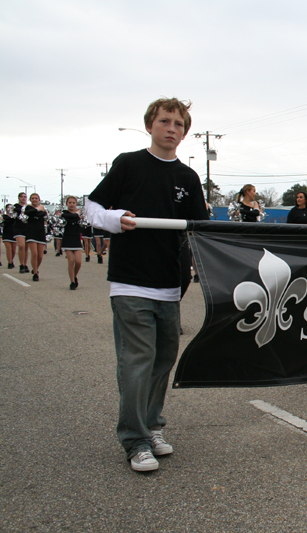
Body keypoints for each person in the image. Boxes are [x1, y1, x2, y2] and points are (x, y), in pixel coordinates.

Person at [86, 97, 209, 472]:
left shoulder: (188, 179)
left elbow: (202, 231)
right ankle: (135, 439)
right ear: (150, 125)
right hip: (130, 284)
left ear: (185, 133)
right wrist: (114, 217)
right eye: (165, 121)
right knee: (137, 361)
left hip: (169, 287)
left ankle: (152, 426)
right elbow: (91, 207)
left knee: (161, 362)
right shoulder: (128, 164)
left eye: (178, 124)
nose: (171, 128)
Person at [61, 196, 84, 290]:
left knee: (78, 262)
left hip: (76, 240)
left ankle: (74, 275)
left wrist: (78, 216)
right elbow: (70, 218)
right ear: (67, 204)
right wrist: (77, 215)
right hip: (67, 239)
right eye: (69, 202)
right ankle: (72, 282)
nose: (71, 204)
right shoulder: (64, 213)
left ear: (76, 204)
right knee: (71, 261)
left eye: (73, 203)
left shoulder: (79, 214)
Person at [25, 193, 48, 282]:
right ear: (30, 200)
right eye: (32, 198)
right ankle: (35, 273)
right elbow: (28, 213)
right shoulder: (28, 207)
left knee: (40, 255)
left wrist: (37, 212)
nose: (34, 199)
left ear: (39, 199)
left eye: (36, 198)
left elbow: (43, 215)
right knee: (34, 253)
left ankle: (35, 268)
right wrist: (37, 209)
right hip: (31, 232)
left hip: (40, 232)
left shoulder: (43, 208)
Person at [13, 192, 29, 273]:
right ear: (19, 198)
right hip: (18, 228)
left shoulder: (29, 207)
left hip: (27, 228)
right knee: (21, 246)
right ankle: (21, 264)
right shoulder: (16, 206)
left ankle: (25, 264)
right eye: (21, 197)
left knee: (26, 248)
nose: (23, 198)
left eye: (25, 197)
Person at [2, 204, 15, 269]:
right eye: (8, 208)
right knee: (8, 248)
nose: (9, 209)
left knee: (13, 250)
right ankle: (9, 262)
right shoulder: (4, 216)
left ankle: (11, 260)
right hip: (6, 233)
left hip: (14, 233)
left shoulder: (15, 217)